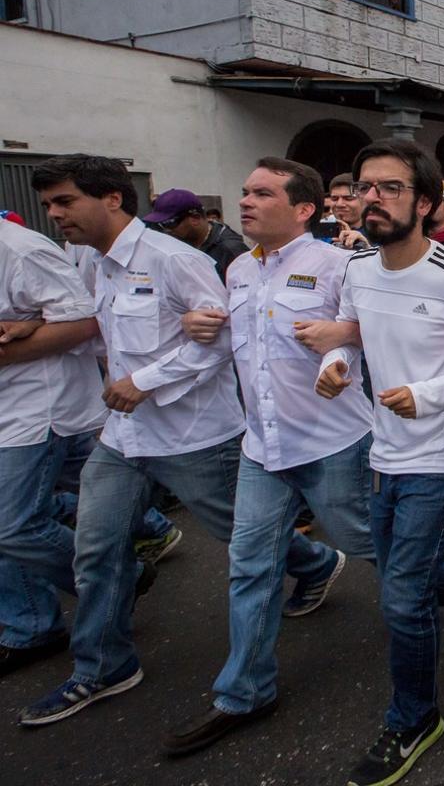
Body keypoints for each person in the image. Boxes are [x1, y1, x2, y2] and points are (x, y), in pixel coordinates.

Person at [17, 155, 313, 727]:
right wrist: (27, 324)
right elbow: (91, 326)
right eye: (50, 203)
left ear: (111, 199)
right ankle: (103, 665)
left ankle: (316, 561)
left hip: (194, 434)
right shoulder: (88, 263)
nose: (54, 214)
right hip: (122, 436)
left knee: (243, 536)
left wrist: (144, 382)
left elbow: (221, 341)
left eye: (65, 201)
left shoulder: (175, 259)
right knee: (96, 548)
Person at [163, 157, 375, 754]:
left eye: (262, 193)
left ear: (303, 209)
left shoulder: (339, 265)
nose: (245, 202)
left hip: (332, 440)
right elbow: (247, 346)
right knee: (250, 563)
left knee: (374, 547)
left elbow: (359, 332)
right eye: (245, 192)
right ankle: (245, 691)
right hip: (264, 446)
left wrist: (337, 363)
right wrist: (199, 328)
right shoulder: (235, 271)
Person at [315, 140, 444, 785]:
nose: (372, 198)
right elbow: (349, 333)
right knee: (404, 579)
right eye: (366, 186)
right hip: (383, 453)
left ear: (425, 204)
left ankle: (415, 717)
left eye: (390, 188)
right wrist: (334, 366)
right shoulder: (357, 269)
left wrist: (426, 394)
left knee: (399, 596)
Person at [0, 217, 180, 680]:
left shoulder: (18, 249)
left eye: (65, 202)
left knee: (13, 524)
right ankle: (33, 625)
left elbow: (84, 322)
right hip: (36, 413)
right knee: (67, 500)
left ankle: (121, 579)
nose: (58, 214)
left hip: (35, 412)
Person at [145, 188, 248, 282]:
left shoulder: (231, 250)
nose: (167, 229)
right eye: (161, 224)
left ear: (195, 218)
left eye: (170, 223)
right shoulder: (180, 245)